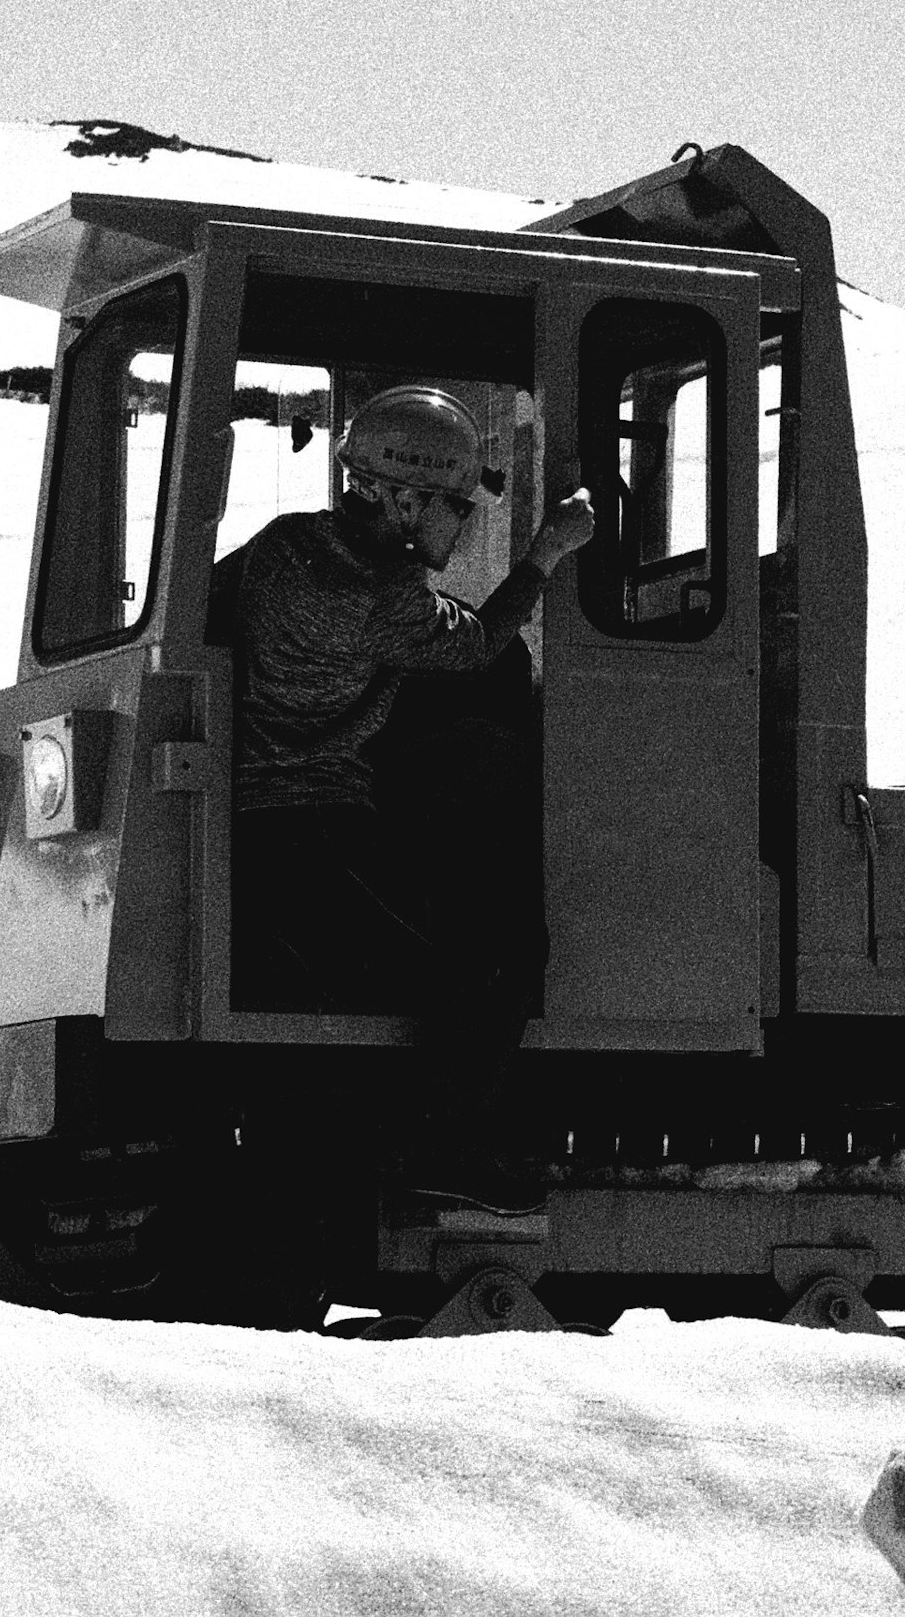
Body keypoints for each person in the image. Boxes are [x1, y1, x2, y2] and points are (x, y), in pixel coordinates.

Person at [213, 384, 595, 1201]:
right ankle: (445, 1155)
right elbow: (486, 647)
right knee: (504, 956)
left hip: (263, 831)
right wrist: (548, 551)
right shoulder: (383, 594)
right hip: (316, 834)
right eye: (457, 506)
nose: (463, 525)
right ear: (408, 500)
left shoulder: (283, 547)